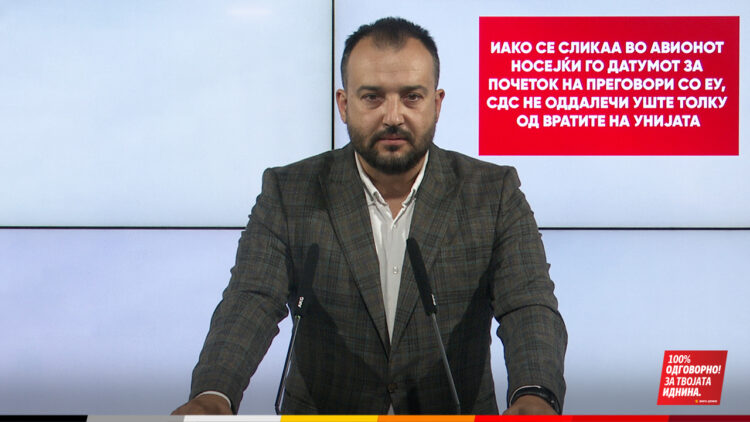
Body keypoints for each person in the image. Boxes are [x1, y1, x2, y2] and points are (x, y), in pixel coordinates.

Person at [173, 17, 566, 415]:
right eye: (373, 98)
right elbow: (251, 300)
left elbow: (528, 305)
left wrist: (534, 395)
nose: (393, 116)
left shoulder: (493, 193)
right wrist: (213, 395)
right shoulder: (289, 192)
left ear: (436, 104)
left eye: (411, 97)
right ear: (344, 105)